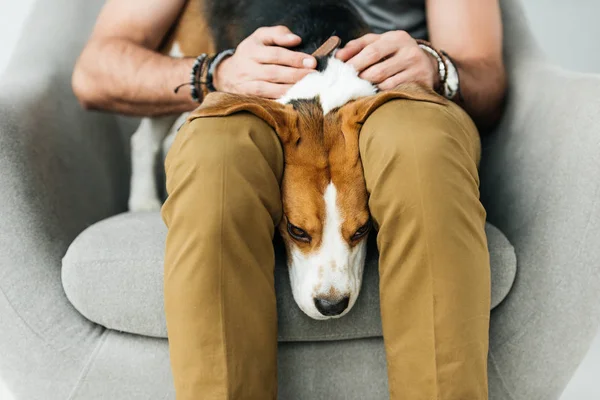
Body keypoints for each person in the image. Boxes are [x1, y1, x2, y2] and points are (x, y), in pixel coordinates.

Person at [72, 0, 506, 398]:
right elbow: (94, 73)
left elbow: (486, 75)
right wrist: (215, 73)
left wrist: (438, 65)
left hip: (397, 95)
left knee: (420, 149)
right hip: (248, 92)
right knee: (215, 160)